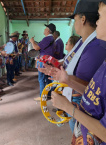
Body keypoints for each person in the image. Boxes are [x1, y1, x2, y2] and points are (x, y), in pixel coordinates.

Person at [39, 1, 106, 144]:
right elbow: (94, 89)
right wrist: (59, 73)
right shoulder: (83, 42)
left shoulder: (98, 47)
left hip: (79, 103)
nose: (98, 22)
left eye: (100, 17)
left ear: (83, 19)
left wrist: (69, 107)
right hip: (78, 101)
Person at [30, 23, 56, 101]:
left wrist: (32, 41)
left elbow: (36, 47)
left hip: (44, 61)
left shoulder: (47, 38)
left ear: (48, 30)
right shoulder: (51, 39)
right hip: (48, 61)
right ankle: (48, 95)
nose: (44, 30)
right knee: (47, 79)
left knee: (41, 79)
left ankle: (42, 96)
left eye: (45, 29)